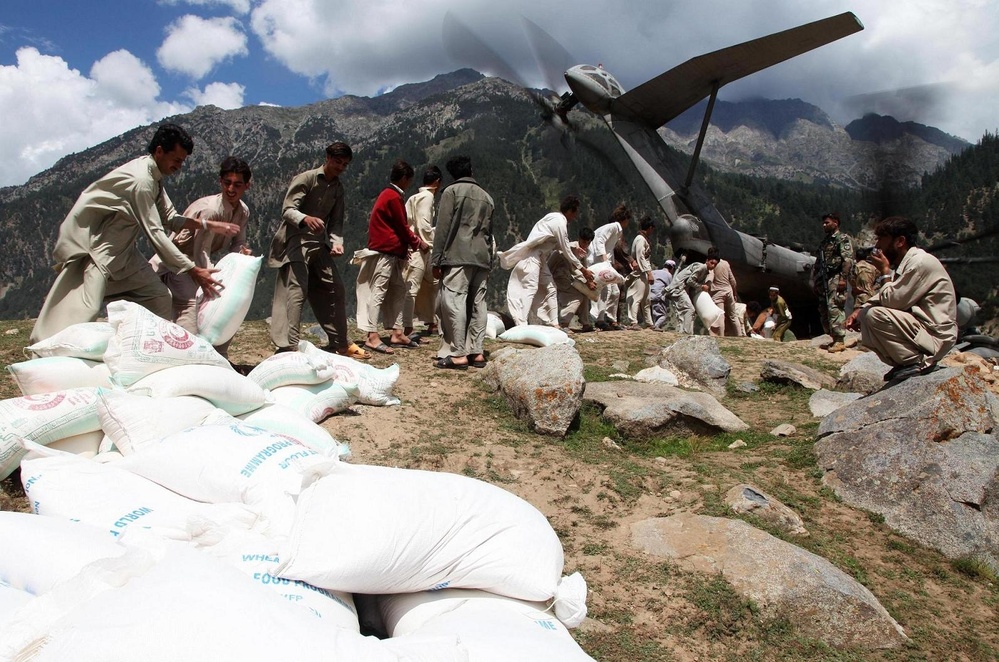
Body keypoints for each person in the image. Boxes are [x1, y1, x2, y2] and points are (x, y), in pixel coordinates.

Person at [30, 123, 234, 343]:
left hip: (126, 253)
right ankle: (48, 350)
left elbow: (171, 218)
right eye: (176, 160)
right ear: (159, 151)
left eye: (182, 161)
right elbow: (155, 233)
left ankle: (151, 349)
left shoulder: (154, 177)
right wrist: (192, 270)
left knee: (158, 296)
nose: (179, 166)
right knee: (83, 311)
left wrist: (208, 225)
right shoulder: (142, 181)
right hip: (100, 253)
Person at [267, 142, 370, 359]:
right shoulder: (307, 178)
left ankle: (341, 343)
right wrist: (305, 218)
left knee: (335, 288)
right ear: (327, 157)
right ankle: (288, 346)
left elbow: (336, 222)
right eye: (337, 162)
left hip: (318, 244)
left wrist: (336, 242)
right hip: (295, 240)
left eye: (345, 164)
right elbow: (287, 210)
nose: (340, 167)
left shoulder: (338, 189)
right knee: (296, 292)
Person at [149, 156, 253, 356]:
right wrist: (210, 277)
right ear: (220, 182)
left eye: (237, 185)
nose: (231, 189)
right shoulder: (210, 210)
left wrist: (240, 256)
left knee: (225, 303)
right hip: (176, 264)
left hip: (197, 264)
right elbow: (200, 251)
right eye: (227, 183)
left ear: (246, 186)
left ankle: (217, 356)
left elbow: (238, 241)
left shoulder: (243, 211)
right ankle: (187, 355)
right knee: (189, 306)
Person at [845, 216, 957, 382]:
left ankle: (915, 362)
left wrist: (884, 272)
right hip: (923, 329)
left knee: (874, 315)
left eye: (882, 239)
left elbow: (893, 301)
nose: (877, 245)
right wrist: (860, 309)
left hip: (934, 335)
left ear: (900, 241)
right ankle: (904, 363)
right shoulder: (909, 263)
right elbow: (893, 293)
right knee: (866, 313)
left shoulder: (919, 263)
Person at [355, 160, 428, 354]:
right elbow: (401, 226)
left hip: (393, 252)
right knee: (377, 293)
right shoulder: (393, 197)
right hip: (385, 252)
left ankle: (397, 332)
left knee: (398, 289)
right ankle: (371, 336)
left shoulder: (388, 194)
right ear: (404, 178)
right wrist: (417, 242)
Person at [431, 155, 495, 370]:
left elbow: (442, 229)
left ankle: (458, 353)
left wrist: (436, 259)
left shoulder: (451, 192)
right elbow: (489, 234)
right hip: (482, 258)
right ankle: (477, 352)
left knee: (455, 301)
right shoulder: (487, 197)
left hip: (458, 256)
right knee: (479, 303)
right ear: (471, 170)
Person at [499, 194, 594, 327]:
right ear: (570, 211)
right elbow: (565, 249)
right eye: (575, 213)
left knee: (551, 288)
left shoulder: (553, 218)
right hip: (532, 257)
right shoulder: (560, 223)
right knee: (530, 288)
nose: (575, 216)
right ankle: (521, 323)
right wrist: (583, 270)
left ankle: (554, 324)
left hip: (540, 258)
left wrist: (575, 250)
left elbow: (555, 244)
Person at [402, 165, 442, 339]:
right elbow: (423, 224)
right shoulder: (427, 197)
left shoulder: (414, 197)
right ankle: (407, 327)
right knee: (414, 286)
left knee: (430, 284)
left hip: (416, 244)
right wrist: (432, 240)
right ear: (437, 183)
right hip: (421, 247)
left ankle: (431, 321)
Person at [812, 212, 854, 353]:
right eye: (823, 223)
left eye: (827, 222)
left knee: (834, 306)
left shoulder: (842, 239)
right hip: (824, 277)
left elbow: (847, 260)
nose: (824, 225)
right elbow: (818, 262)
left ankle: (839, 339)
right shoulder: (825, 242)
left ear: (836, 223)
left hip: (836, 276)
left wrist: (843, 278)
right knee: (824, 308)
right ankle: (832, 336)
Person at [588, 204, 632, 329]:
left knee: (614, 291)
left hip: (602, 261)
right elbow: (600, 240)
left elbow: (609, 248)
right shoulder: (614, 227)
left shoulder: (614, 228)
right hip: (599, 261)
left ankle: (608, 318)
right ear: (625, 219)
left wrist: (610, 262)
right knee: (606, 289)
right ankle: (601, 319)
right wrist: (604, 259)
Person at [548, 227, 597, 332]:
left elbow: (582, 268)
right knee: (576, 297)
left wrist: (588, 281)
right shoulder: (570, 247)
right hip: (558, 276)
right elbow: (571, 263)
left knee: (584, 294)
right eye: (584, 242)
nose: (585, 245)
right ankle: (564, 323)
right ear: (579, 239)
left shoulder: (584, 251)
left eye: (588, 243)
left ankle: (585, 323)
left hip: (568, 277)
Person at [704, 247, 744, 336]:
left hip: (717, 293)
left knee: (720, 315)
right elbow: (733, 280)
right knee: (733, 316)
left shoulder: (711, 264)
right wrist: (735, 293)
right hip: (728, 291)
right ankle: (740, 334)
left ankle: (721, 335)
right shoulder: (725, 263)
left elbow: (710, 277)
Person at [623, 216, 655, 328]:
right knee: (637, 297)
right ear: (650, 228)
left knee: (646, 300)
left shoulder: (642, 239)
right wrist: (649, 272)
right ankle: (633, 321)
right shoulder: (640, 239)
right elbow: (640, 256)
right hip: (640, 272)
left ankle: (649, 322)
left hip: (643, 272)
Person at [661, 259, 709, 334]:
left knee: (682, 315)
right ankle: (685, 333)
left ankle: (682, 332)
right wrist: (701, 286)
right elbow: (690, 281)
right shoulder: (702, 267)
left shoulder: (699, 269)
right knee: (690, 310)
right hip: (678, 289)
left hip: (676, 289)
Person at [649, 259, 675, 330]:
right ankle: (656, 327)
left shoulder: (654, 272)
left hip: (648, 296)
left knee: (652, 316)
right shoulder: (669, 275)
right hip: (658, 297)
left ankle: (652, 327)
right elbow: (670, 288)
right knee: (663, 316)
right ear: (672, 268)